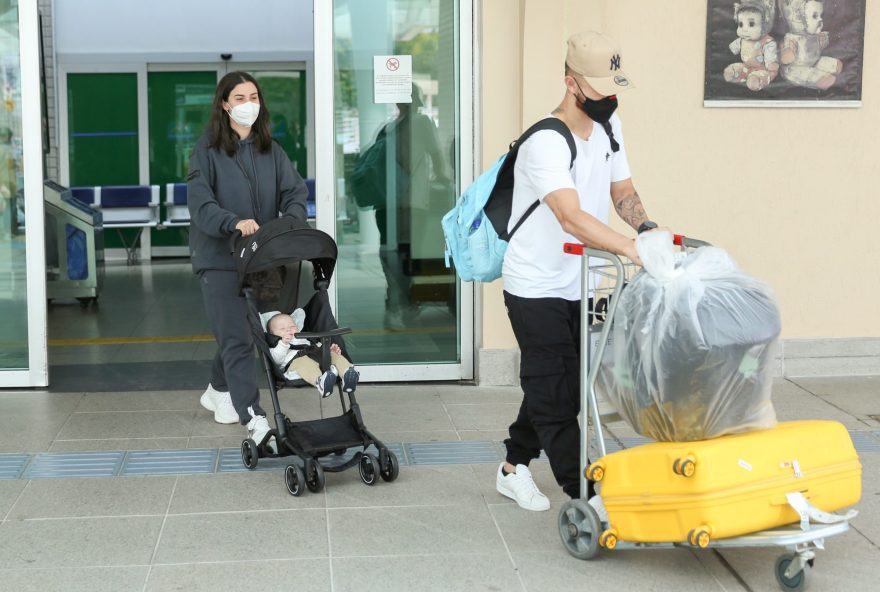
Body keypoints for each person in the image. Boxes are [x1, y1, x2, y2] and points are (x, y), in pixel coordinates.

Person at [495, 31, 664, 513]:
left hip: (582, 281)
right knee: (556, 390)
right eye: (599, 89)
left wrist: (647, 228)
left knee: (562, 381)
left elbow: (622, 191)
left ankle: (512, 466)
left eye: (615, 88)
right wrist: (631, 249)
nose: (610, 98)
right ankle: (585, 493)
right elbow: (569, 215)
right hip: (535, 284)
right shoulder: (546, 142)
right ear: (571, 84)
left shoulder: (610, 128)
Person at [187, 71, 309, 450]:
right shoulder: (206, 150)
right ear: (225, 104)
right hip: (220, 258)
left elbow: (295, 191)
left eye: (253, 96)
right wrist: (233, 223)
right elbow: (201, 204)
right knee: (239, 337)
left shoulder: (271, 150)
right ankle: (253, 417)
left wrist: (290, 222)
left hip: (261, 257)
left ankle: (217, 389)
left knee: (240, 329)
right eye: (239, 98)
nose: (248, 104)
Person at [265, 310, 360, 397]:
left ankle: (348, 374)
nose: (288, 329)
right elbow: (276, 360)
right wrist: (283, 344)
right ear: (272, 334)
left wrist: (328, 351)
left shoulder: (304, 338)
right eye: (282, 328)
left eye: (292, 326)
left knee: (334, 356)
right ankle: (321, 382)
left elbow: (316, 346)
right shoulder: (276, 345)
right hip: (296, 363)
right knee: (304, 362)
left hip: (318, 359)